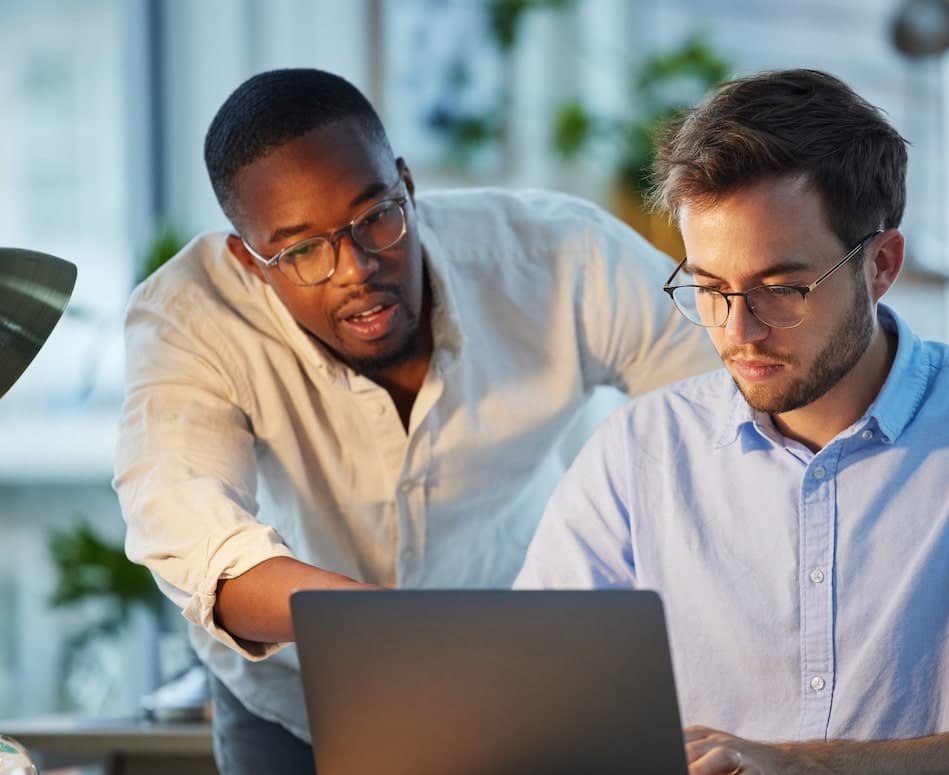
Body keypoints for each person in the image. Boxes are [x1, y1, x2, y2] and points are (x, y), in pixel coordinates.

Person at [113, 68, 717, 774]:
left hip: (515, 676)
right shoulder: (189, 319)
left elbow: (720, 402)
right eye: (303, 249)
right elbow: (195, 539)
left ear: (405, 180)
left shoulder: (557, 257)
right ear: (249, 259)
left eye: (376, 216)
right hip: (292, 697)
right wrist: (399, 634)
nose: (356, 269)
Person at [516, 69, 949, 774]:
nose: (738, 329)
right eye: (710, 288)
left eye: (780, 288)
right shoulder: (635, 451)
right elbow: (539, 710)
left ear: (881, 265)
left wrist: (797, 765)